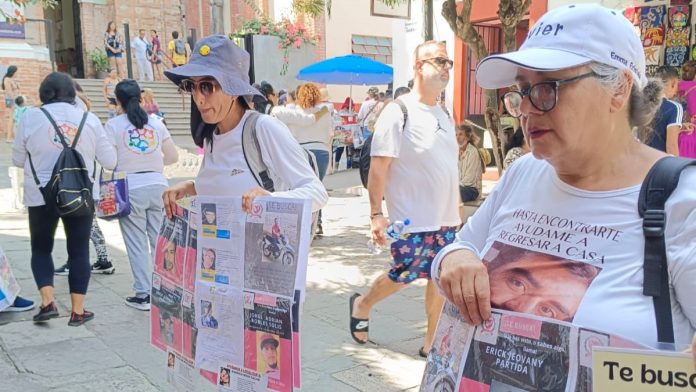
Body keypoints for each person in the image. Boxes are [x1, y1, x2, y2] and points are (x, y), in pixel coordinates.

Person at [432, 4, 696, 350]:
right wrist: (456, 260)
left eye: (547, 88)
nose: (526, 109)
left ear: (618, 89)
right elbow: (461, 247)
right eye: (522, 90)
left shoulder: (682, 201)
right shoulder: (525, 172)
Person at [349, 40, 460, 357]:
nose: (445, 66)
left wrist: (458, 210)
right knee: (405, 271)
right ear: (418, 67)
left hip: (445, 217)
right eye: (437, 60)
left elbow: (446, 164)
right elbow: (379, 165)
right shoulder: (398, 111)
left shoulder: (444, 112)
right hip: (409, 217)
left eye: (448, 61)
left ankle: (431, 342)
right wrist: (375, 214)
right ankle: (363, 303)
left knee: (439, 278)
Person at [160, 35, 327, 224]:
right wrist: (190, 188)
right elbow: (222, 188)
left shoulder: (263, 128)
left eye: (206, 86)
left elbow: (317, 192)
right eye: (191, 86)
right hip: (217, 252)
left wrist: (270, 201)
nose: (198, 98)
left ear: (233, 89)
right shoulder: (211, 137)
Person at [12, 72, 117, 326]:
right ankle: (77, 311)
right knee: (79, 250)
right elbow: (110, 162)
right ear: (72, 94)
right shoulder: (89, 119)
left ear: (43, 94)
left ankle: (48, 302)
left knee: (41, 248)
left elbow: (16, 159)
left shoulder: (29, 117)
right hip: (80, 195)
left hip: (41, 195)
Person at [106, 79, 179, 311]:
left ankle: (143, 294)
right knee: (160, 240)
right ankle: (167, 288)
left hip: (131, 188)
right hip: (159, 185)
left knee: (136, 243)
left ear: (118, 100)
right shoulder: (157, 123)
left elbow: (109, 161)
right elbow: (173, 157)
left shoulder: (114, 125)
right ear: (140, 97)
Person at [272, 83, 332, 235]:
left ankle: (305, 224)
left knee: (302, 188)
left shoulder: (292, 111)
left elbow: (278, 113)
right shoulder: (325, 112)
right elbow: (329, 134)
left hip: (301, 152)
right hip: (321, 151)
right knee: (316, 188)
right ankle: (317, 223)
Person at [645, 66, 683, 156]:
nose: (677, 89)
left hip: (642, 159)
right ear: (673, 83)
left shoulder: (644, 102)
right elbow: (671, 146)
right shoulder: (674, 107)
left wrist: (679, 127)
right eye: (677, 84)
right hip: (660, 162)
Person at [456, 124, 483, 202]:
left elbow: (469, 180)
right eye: (456, 134)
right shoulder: (455, 152)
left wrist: (453, 187)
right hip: (459, 186)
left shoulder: (473, 152)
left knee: (451, 193)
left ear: (467, 137)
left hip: (472, 190)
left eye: (461, 134)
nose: (457, 137)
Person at [3, 65, 20, 143]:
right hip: (11, 100)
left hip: (14, 100)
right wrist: (15, 102)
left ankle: (12, 137)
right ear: (13, 72)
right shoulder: (7, 79)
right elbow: (9, 92)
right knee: (12, 118)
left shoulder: (12, 79)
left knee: (13, 118)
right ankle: (9, 138)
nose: (17, 73)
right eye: (16, 71)